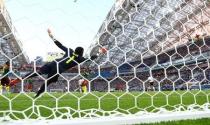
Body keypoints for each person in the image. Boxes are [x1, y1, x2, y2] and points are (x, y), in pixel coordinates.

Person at [11, 29, 105, 98]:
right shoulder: (80, 58)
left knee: (37, 72)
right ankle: (37, 95)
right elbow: (91, 58)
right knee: (48, 82)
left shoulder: (70, 50)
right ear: (81, 52)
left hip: (53, 62)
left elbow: (60, 45)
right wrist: (100, 52)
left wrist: (51, 36)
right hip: (58, 68)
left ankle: (19, 79)